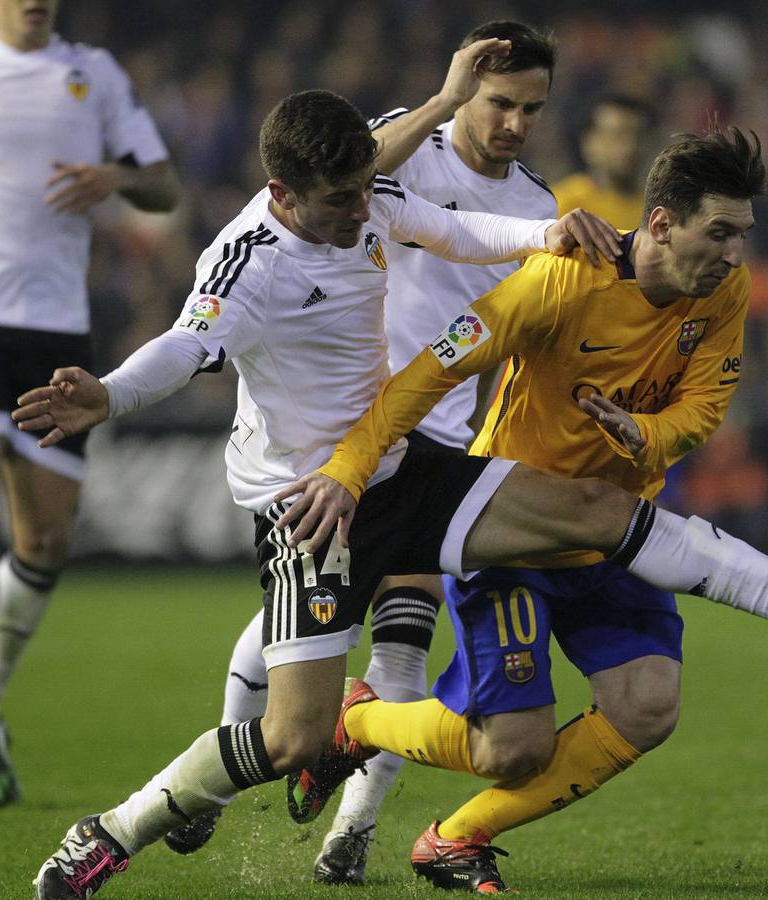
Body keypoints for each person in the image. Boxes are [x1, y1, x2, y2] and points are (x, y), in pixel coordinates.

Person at [19, 90, 768, 900]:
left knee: (594, 511)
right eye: (340, 200)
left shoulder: (373, 203)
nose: (364, 213)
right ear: (281, 193)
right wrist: (110, 392)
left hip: (402, 466)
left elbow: (459, 230)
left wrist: (551, 234)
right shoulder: (245, 261)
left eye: (366, 191)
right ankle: (110, 832)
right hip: (312, 505)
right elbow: (181, 347)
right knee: (292, 739)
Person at [282, 125, 768, 893]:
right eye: (722, 233)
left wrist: (647, 433)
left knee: (647, 707)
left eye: (743, 234)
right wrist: (348, 463)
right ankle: (356, 723)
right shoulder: (561, 281)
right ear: (663, 225)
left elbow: (703, 409)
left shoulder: (721, 292)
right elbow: (432, 370)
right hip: (515, 533)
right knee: (513, 750)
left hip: (616, 531)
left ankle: (455, 838)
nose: (737, 254)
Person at [180, 21, 563, 884]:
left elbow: (525, 321)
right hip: (346, 423)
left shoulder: (535, 207)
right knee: (314, 619)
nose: (512, 123)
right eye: (500, 102)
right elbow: (338, 177)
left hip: (437, 424)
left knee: (403, 630)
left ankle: (352, 831)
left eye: (529, 108)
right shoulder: (405, 145)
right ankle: (209, 791)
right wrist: (446, 97)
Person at [0, 0, 178, 808]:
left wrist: (117, 179)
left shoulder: (94, 75)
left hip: (54, 331)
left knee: (44, 538)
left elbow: (163, 184)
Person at [552, 95, 655, 229]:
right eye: (618, 135)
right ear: (588, 143)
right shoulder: (563, 205)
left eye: (638, 135)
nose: (630, 145)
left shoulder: (656, 211)